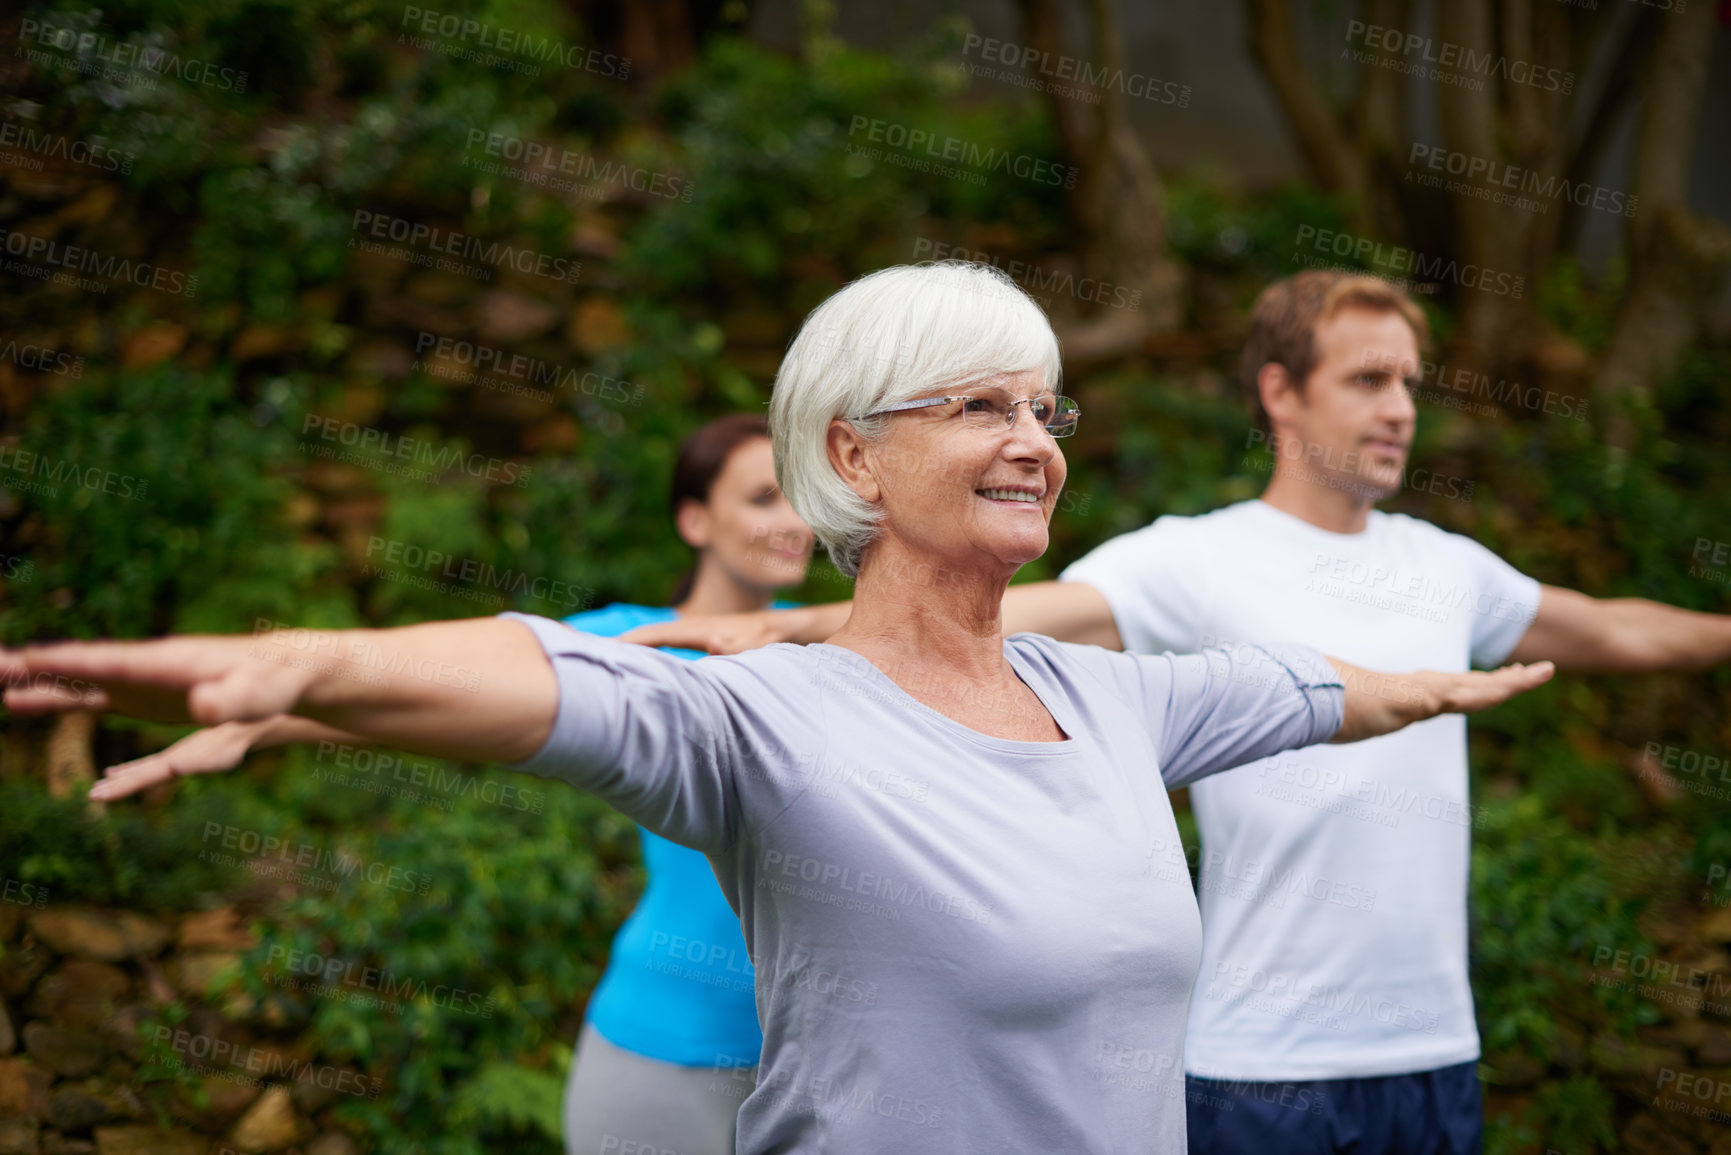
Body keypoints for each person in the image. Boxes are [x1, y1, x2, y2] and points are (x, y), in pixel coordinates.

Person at [4, 261, 1553, 1154]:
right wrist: (309, 669)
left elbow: (1298, 686)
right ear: (852, 455)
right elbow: (550, 668)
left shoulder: (1115, 696)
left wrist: (1425, 680)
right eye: (976, 404)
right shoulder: (764, 716)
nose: (1030, 439)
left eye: (1039, 404)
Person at [626, 268, 1731, 1154]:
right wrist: (788, 630)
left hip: (1434, 1050)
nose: (1400, 408)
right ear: (1281, 394)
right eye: (1366, 380)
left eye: (1410, 382)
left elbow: (1617, 632)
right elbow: (996, 614)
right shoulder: (1192, 560)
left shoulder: (1453, 568)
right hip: (1260, 1060)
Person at [95, 413, 815, 1155]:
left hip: (814, 1051)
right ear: (695, 518)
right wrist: (259, 723)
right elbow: (433, 692)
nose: (792, 520)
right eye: (763, 497)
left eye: (799, 496)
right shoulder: (624, 639)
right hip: (664, 1036)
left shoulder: (830, 645)